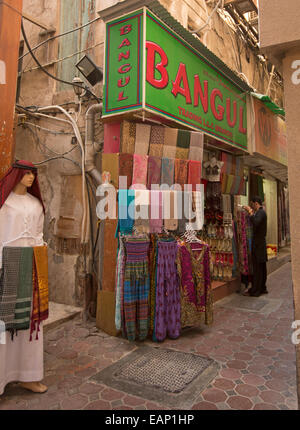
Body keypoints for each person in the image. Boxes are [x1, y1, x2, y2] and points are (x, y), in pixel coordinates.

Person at [0, 160, 48, 395]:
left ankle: (28, 375)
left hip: (31, 265)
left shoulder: (36, 204)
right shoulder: (4, 204)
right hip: (6, 265)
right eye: (27, 173)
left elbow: (39, 235)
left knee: (31, 323)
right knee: (3, 325)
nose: (31, 178)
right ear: (16, 174)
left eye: (33, 174)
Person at [242, 196, 268, 297]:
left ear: (256, 203)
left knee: (258, 268)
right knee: (261, 268)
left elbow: (256, 223)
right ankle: (261, 288)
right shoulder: (261, 212)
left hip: (259, 245)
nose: (252, 206)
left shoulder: (260, 212)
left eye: (253, 204)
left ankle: (256, 290)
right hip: (259, 244)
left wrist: (250, 212)